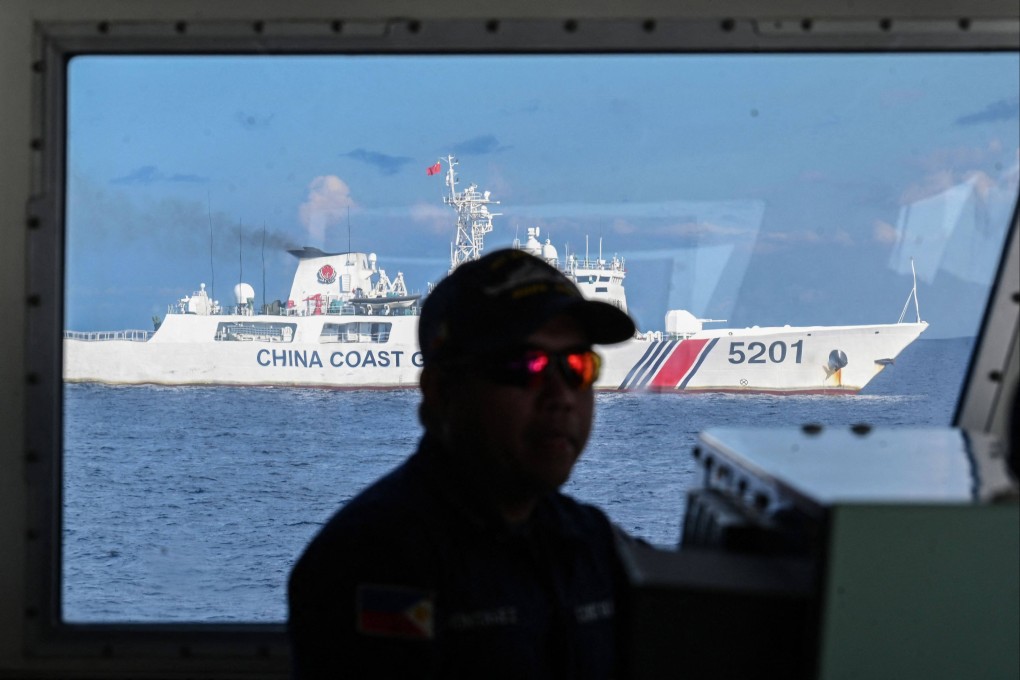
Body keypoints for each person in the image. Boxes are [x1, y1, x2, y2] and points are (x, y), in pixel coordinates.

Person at [287, 247, 637, 679]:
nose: (561, 396)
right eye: (524, 364)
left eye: (578, 366)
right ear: (443, 391)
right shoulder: (371, 561)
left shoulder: (593, 544)